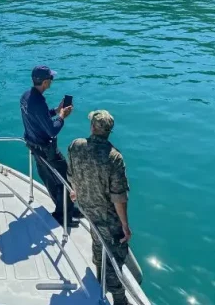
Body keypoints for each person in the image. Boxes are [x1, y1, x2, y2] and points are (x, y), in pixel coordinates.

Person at [67, 110, 132, 305]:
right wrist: (125, 226)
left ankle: (98, 278)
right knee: (116, 255)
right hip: (107, 216)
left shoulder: (75, 146)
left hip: (86, 208)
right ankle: (120, 299)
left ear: (93, 127)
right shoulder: (114, 157)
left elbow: (72, 175)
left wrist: (76, 192)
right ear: (108, 131)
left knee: (97, 241)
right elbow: (119, 197)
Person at [20, 65, 78, 225]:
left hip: (34, 147)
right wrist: (61, 116)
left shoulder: (26, 96)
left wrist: (55, 110)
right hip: (47, 150)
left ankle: (65, 208)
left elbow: (40, 117)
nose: (52, 81)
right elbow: (52, 130)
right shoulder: (38, 102)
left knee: (50, 179)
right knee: (66, 180)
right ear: (45, 82)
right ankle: (64, 216)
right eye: (51, 78)